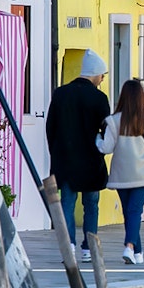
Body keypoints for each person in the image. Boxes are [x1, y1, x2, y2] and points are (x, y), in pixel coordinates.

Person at [46, 49, 110, 263]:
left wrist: (54, 152)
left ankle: (69, 245)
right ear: (96, 74)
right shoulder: (99, 98)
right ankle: (88, 246)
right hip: (91, 160)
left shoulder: (61, 93)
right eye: (102, 75)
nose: (102, 80)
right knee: (91, 204)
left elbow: (50, 127)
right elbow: (105, 130)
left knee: (67, 203)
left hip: (64, 159)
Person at [97, 79, 144, 265]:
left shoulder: (113, 121)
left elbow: (106, 148)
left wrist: (96, 140)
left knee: (130, 212)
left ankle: (130, 247)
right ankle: (137, 251)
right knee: (133, 211)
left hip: (122, 174)